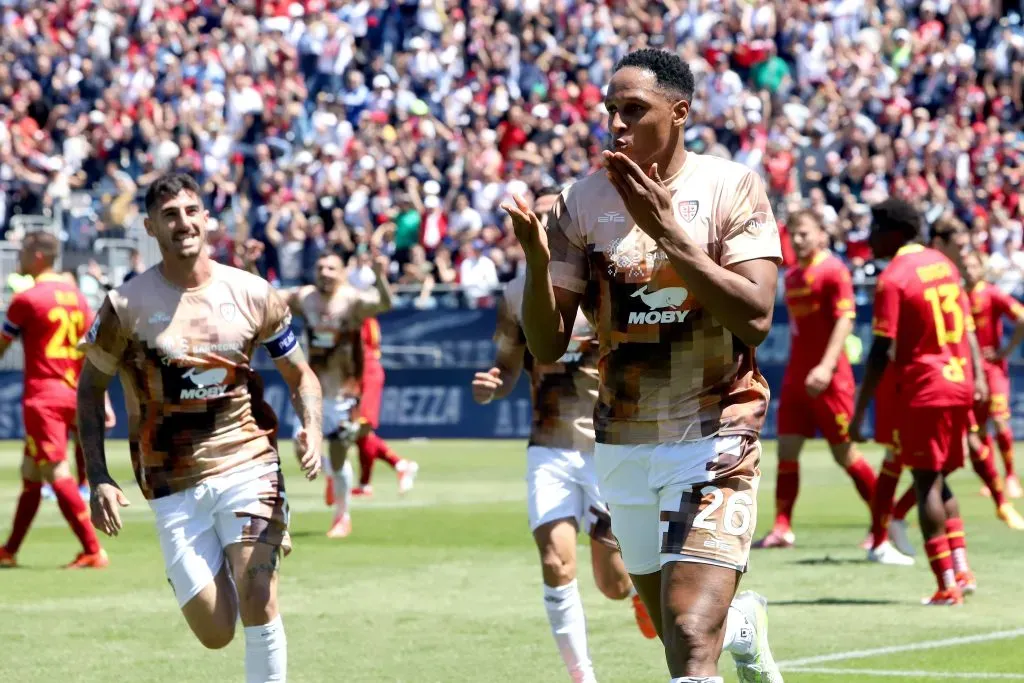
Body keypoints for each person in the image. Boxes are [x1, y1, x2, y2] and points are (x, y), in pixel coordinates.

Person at [505, 48, 782, 683]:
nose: (617, 125)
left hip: (717, 431)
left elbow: (756, 316)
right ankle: (744, 625)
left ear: (679, 113)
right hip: (624, 438)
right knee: (671, 625)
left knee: (688, 635)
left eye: (635, 110)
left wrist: (671, 234)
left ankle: (722, 630)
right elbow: (546, 346)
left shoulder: (730, 184)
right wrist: (537, 262)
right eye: (612, 111)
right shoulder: (583, 200)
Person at [77, 172, 323, 682]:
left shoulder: (253, 293)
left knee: (258, 592)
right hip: (170, 481)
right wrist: (98, 475)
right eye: (170, 215)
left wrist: (312, 430)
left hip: (248, 462)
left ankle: (253, 554)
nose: (183, 223)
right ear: (150, 226)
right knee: (216, 632)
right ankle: (228, 563)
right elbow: (89, 390)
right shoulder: (125, 306)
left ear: (207, 218)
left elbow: (302, 376)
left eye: (191, 211)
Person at [473, 194, 657, 683]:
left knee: (614, 584)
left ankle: (639, 595)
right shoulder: (516, 295)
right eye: (537, 217)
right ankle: (583, 678)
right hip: (549, 446)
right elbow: (508, 366)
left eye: (557, 216)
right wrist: (494, 384)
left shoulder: (608, 282)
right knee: (556, 563)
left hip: (608, 447)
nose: (547, 224)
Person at [850, 198, 986, 605]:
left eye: (875, 229)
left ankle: (946, 585)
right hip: (958, 382)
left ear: (895, 232)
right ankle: (961, 568)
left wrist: (861, 411)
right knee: (941, 479)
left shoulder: (894, 277)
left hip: (925, 387)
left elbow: (879, 351)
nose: (869, 237)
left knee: (925, 481)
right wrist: (976, 377)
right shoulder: (943, 265)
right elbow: (965, 328)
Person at [756, 210, 876, 550]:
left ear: (822, 234)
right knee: (787, 451)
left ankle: (883, 520)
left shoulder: (834, 271)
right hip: (797, 377)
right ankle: (782, 527)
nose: (798, 239)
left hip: (831, 378)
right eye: (794, 234)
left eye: (805, 233)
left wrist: (825, 367)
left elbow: (845, 320)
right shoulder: (791, 276)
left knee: (844, 454)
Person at [0, 231, 113, 569]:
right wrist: (101, 398)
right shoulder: (77, 297)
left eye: (23, 251)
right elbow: (91, 352)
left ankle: (93, 549)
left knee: (54, 470)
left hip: (43, 396)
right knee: (31, 472)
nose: (19, 257)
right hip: (73, 392)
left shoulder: (28, 298)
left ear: (37, 255)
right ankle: (9, 550)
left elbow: (2, 345)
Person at [281, 251, 411, 538]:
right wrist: (252, 265)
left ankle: (342, 516)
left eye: (331, 267)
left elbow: (385, 303)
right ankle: (330, 479)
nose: (325, 272)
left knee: (339, 457)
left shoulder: (352, 300)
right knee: (301, 448)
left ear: (341, 272)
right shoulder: (306, 297)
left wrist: (379, 274)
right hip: (310, 391)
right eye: (320, 267)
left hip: (343, 394)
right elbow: (267, 297)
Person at [964, 249, 1024, 500]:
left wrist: (1005, 351)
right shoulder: (956, 296)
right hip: (968, 372)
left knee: (999, 420)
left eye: (973, 266)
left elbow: (1021, 317)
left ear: (982, 268)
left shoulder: (991, 293)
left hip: (992, 370)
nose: (968, 271)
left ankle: (1011, 476)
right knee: (977, 429)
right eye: (965, 266)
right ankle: (993, 480)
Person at [351, 314, 418, 497]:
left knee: (361, 427)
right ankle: (396, 468)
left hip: (367, 372)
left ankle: (398, 466)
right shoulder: (354, 315)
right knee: (359, 432)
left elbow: (369, 347)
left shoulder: (363, 317)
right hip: (355, 373)